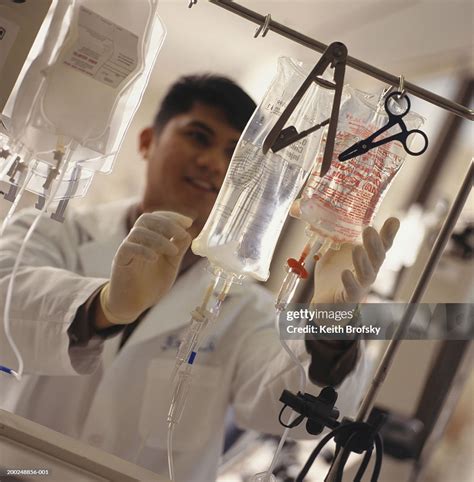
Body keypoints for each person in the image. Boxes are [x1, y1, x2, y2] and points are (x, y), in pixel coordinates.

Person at [0, 75, 399, 481]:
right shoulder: (54, 231)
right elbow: (5, 305)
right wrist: (103, 307)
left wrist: (329, 330)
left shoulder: (247, 307)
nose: (215, 163)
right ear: (146, 141)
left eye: (234, 152)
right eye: (198, 137)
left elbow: (288, 412)